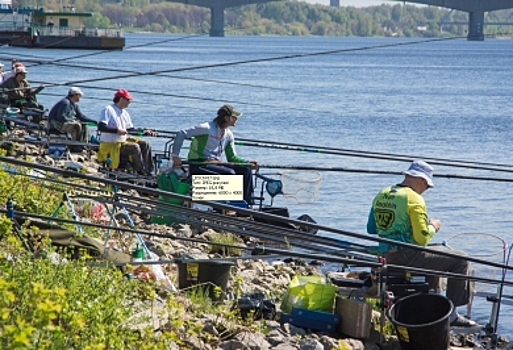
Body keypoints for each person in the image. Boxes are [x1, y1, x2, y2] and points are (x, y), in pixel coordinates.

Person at [366, 160, 480, 328]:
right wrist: (433, 226)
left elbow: (371, 228)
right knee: (461, 259)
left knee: (437, 252)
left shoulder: (382, 193)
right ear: (422, 181)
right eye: (427, 186)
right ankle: (453, 315)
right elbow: (422, 238)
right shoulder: (414, 198)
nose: (425, 190)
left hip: (385, 256)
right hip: (406, 256)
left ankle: (434, 304)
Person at [171, 104, 258, 205]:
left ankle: (246, 205)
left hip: (215, 165)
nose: (236, 119)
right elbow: (182, 133)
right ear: (226, 118)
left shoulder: (228, 135)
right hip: (199, 164)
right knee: (229, 174)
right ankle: (228, 206)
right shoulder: (206, 128)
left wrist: (247, 162)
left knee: (245, 170)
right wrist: (175, 156)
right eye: (234, 117)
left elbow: (232, 157)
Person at [97, 89, 156, 175]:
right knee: (134, 147)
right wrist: (117, 131)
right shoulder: (108, 110)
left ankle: (149, 170)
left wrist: (144, 131)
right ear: (121, 99)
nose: (129, 102)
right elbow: (101, 127)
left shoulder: (125, 113)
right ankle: (139, 171)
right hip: (111, 143)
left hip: (122, 141)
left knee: (145, 143)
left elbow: (130, 129)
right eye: (127, 100)